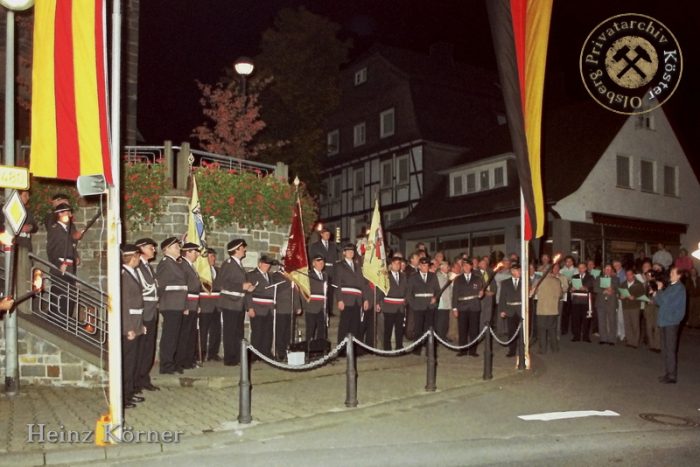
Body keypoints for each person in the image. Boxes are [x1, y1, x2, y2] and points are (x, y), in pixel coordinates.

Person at [213, 239, 256, 366]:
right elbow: (221, 283)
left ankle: (238, 356)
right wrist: (241, 286)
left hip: (239, 303)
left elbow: (240, 285)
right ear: (236, 249)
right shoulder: (229, 263)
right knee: (230, 331)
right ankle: (229, 358)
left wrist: (248, 287)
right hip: (230, 303)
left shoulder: (238, 264)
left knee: (238, 332)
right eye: (243, 248)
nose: (245, 250)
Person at [156, 237, 187, 374]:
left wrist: (184, 305)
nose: (179, 249)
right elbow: (161, 286)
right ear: (166, 249)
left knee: (176, 336)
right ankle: (166, 365)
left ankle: (173, 362)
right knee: (170, 336)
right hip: (170, 304)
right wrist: (161, 302)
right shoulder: (165, 263)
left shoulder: (175, 263)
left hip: (177, 304)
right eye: (175, 247)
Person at [120, 244, 146, 409]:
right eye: (137, 256)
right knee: (128, 362)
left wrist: (140, 325)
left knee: (133, 361)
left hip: (136, 324)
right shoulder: (124, 276)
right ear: (133, 257)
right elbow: (124, 305)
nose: (139, 259)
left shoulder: (132, 273)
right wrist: (128, 328)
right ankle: (123, 397)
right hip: (129, 326)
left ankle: (129, 393)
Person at [133, 238, 160, 392]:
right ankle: (136, 380)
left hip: (151, 311)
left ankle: (144, 378)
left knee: (149, 348)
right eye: (151, 247)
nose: (154, 250)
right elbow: (141, 290)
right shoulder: (137, 267)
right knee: (141, 348)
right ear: (141, 248)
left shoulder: (147, 267)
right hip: (144, 312)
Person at [653, 266, 686, 384]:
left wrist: (659, 290)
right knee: (665, 348)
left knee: (670, 349)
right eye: (671, 272)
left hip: (671, 322)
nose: (670, 274)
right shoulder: (671, 287)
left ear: (679, 275)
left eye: (673, 273)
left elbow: (664, 300)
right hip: (664, 321)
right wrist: (658, 293)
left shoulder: (678, 288)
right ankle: (667, 373)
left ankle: (672, 375)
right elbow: (658, 301)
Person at [333, 243, 370, 344]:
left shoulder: (358, 266)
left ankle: (353, 350)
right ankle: (341, 350)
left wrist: (365, 299)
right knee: (344, 325)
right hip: (346, 299)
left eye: (352, 251)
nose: (350, 253)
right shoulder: (340, 265)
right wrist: (339, 299)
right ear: (344, 253)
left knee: (355, 325)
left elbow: (363, 284)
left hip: (357, 300)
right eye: (348, 251)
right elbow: (337, 284)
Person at [46, 203, 78, 318]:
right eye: (66, 212)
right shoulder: (55, 230)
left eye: (69, 212)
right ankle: (55, 321)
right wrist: (59, 264)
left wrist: (75, 256)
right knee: (60, 295)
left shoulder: (68, 229)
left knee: (70, 295)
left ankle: (65, 321)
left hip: (69, 267)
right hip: (61, 267)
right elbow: (51, 250)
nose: (69, 215)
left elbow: (70, 246)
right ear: (59, 214)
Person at [407, 256, 440, 354]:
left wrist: (435, 298)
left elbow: (437, 290)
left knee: (429, 328)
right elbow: (409, 293)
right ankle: (417, 350)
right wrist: (414, 305)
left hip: (430, 306)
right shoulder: (413, 277)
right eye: (423, 265)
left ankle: (429, 350)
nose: (425, 267)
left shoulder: (433, 276)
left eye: (427, 265)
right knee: (418, 329)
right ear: (419, 266)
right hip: (418, 306)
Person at [452, 259, 484, 357]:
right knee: (462, 330)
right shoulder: (458, 279)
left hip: (474, 306)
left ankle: (473, 351)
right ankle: (463, 350)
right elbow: (455, 295)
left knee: (474, 330)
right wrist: (454, 308)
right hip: (462, 307)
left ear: (471, 266)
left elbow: (480, 293)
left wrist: (481, 294)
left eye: (467, 265)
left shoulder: (477, 278)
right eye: (464, 265)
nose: (466, 267)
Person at [177, 243, 201, 369]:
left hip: (194, 303)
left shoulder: (190, 266)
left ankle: (189, 359)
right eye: (195, 252)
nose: (197, 254)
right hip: (188, 303)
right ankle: (182, 360)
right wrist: (185, 305)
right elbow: (184, 287)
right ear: (187, 252)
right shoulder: (183, 266)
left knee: (191, 333)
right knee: (185, 333)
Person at [247, 256, 277, 358]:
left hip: (269, 309)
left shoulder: (271, 276)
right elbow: (248, 293)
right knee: (257, 332)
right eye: (265, 264)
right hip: (257, 308)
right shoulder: (252, 275)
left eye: (269, 265)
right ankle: (254, 355)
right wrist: (249, 307)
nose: (267, 266)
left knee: (268, 333)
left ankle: (266, 354)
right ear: (259, 263)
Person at [271, 263, 303, 360]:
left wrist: (298, 306)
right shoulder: (276, 275)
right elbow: (280, 288)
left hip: (291, 308)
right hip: (281, 308)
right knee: (280, 332)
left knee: (289, 332)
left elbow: (296, 292)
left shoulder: (292, 277)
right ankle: (280, 352)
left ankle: (287, 350)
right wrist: (291, 280)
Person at [13, 190, 38, 313]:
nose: (28, 197)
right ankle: (22, 307)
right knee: (21, 276)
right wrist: (19, 228)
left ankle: (26, 306)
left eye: (28, 195)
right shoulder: (11, 209)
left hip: (27, 246)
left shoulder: (27, 211)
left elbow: (35, 226)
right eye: (25, 195)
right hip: (17, 246)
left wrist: (31, 227)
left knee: (28, 276)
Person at [307, 227, 340, 316]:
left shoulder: (333, 246)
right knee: (320, 290)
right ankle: (320, 308)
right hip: (320, 269)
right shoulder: (315, 246)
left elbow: (335, 259)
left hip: (331, 271)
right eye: (326, 234)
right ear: (321, 234)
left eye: (329, 234)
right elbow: (312, 258)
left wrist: (335, 272)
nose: (328, 235)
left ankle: (329, 311)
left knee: (330, 291)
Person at [198, 248, 222, 361]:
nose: (214, 259)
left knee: (216, 331)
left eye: (214, 256)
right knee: (203, 331)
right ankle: (200, 354)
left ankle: (213, 354)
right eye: (211, 256)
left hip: (216, 306)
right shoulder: (200, 271)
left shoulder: (218, 270)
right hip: (204, 305)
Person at [535, 268, 563, 353]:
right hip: (553, 309)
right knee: (552, 329)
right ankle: (554, 348)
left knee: (542, 330)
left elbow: (533, 293)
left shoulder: (539, 281)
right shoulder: (557, 281)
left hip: (542, 309)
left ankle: (542, 349)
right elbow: (560, 294)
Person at [498, 262, 523, 357]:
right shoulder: (505, 283)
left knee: (522, 331)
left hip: (521, 309)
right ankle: (512, 350)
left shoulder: (524, 281)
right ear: (512, 271)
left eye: (520, 270)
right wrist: (502, 310)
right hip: (510, 310)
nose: (519, 272)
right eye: (517, 270)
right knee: (512, 331)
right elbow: (502, 298)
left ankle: (522, 350)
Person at [594, 264, 619, 346]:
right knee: (601, 321)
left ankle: (612, 339)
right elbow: (595, 288)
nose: (608, 270)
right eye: (606, 269)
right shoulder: (598, 278)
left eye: (609, 269)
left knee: (612, 321)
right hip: (601, 302)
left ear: (612, 270)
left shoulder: (616, 279)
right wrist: (603, 291)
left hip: (611, 302)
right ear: (603, 270)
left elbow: (618, 289)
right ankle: (603, 338)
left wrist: (612, 290)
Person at [619, 269, 645, 348]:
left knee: (635, 324)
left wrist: (634, 297)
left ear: (633, 275)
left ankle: (635, 342)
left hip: (634, 306)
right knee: (627, 324)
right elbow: (619, 294)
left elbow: (642, 296)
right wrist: (621, 297)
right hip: (625, 306)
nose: (628, 276)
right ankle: (629, 341)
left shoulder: (639, 284)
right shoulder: (623, 284)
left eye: (630, 274)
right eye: (627, 275)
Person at [305, 255, 329, 341]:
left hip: (322, 307)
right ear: (313, 263)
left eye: (322, 262)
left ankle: (320, 350)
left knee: (322, 331)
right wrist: (306, 300)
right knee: (310, 330)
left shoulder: (325, 275)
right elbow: (303, 289)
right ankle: (308, 351)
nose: (321, 264)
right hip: (312, 306)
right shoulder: (308, 275)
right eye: (318, 262)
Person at [570, 262, 595, 342]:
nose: (581, 269)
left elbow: (593, 288)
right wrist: (571, 289)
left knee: (586, 320)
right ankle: (576, 336)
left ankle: (586, 336)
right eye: (579, 268)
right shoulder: (574, 276)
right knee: (576, 319)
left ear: (585, 268)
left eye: (582, 267)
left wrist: (586, 289)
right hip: (576, 301)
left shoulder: (590, 277)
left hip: (586, 301)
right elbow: (570, 287)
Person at [435, 260, 452, 340]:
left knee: (446, 320)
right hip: (442, 301)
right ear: (441, 267)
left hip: (448, 301)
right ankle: (439, 337)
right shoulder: (438, 276)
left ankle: (443, 336)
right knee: (441, 320)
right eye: (446, 266)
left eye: (448, 266)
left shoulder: (448, 276)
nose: (448, 267)